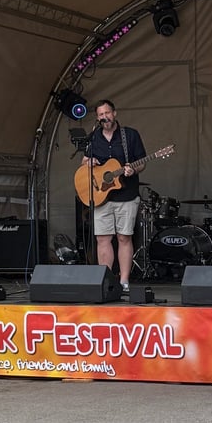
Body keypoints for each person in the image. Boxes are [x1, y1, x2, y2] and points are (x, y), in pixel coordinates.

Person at [82, 99, 146, 295]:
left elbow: (142, 162)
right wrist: (89, 162)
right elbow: (84, 161)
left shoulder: (130, 135)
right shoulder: (93, 137)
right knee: (102, 238)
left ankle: (124, 281)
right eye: (101, 115)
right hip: (101, 196)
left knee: (124, 237)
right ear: (97, 118)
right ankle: (106, 280)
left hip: (126, 195)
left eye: (107, 113)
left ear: (114, 113)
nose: (105, 117)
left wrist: (132, 170)